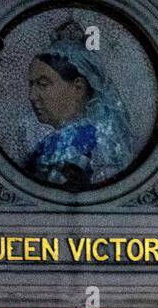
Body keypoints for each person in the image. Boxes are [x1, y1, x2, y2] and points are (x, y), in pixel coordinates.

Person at [21, 18, 135, 189]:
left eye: (43, 84)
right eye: (31, 85)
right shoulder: (101, 138)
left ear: (78, 87)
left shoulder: (73, 142)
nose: (32, 96)